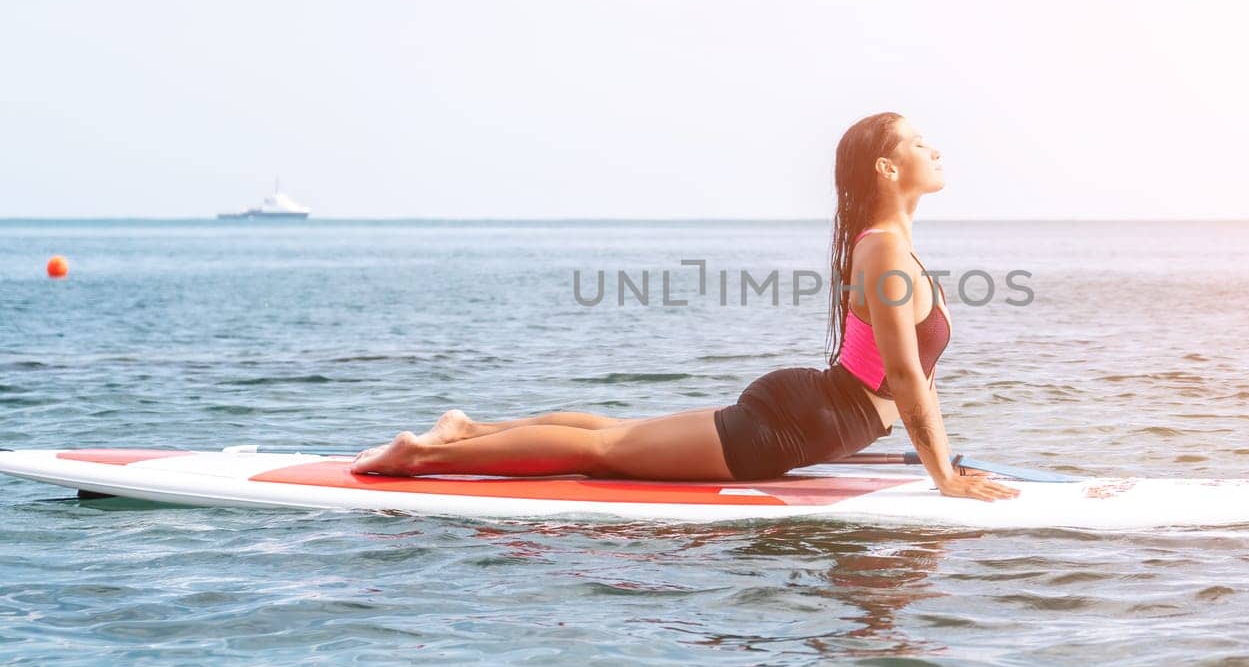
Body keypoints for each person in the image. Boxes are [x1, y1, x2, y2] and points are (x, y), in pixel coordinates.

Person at [350, 112, 1018, 502]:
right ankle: (417, 456)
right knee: (609, 451)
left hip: (806, 412)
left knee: (620, 430)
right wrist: (944, 481)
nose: (934, 148)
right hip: (788, 428)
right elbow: (902, 379)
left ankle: (467, 429)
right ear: (886, 168)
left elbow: (915, 379)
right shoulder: (885, 252)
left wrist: (947, 464)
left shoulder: (896, 247)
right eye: (918, 141)